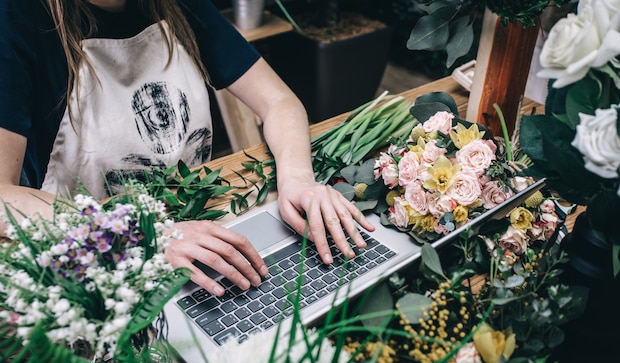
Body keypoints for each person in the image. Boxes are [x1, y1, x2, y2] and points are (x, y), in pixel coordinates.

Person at [0, 0, 374, 296]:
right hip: (95, 252)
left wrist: (297, 178)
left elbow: (279, 102)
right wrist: (142, 234)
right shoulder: (18, 16)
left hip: (200, 223)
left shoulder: (177, 4)